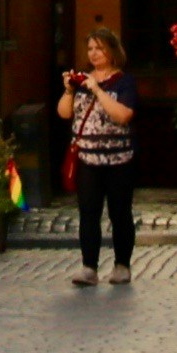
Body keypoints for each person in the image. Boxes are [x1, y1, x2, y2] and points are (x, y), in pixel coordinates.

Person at [58, 27, 140, 286]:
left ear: (112, 51)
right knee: (89, 213)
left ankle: (122, 265)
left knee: (120, 212)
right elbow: (64, 113)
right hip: (87, 159)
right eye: (90, 48)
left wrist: (97, 90)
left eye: (99, 48)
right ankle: (89, 267)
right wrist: (70, 91)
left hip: (118, 159)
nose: (93, 54)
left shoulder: (124, 82)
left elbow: (123, 115)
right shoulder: (84, 81)